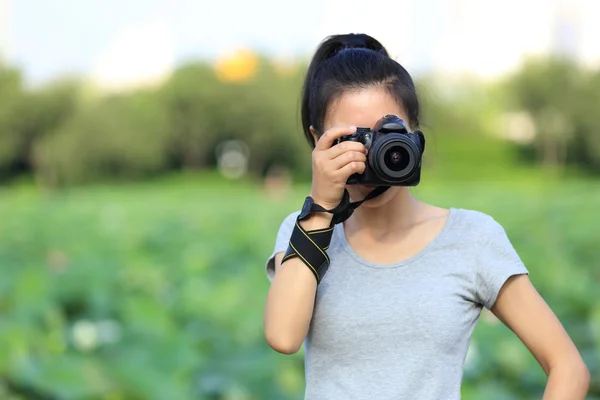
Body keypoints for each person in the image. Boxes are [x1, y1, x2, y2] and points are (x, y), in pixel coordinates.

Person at [263, 33, 590, 400]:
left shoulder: (472, 237)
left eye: (385, 135)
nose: (369, 156)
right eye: (351, 141)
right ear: (316, 141)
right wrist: (319, 208)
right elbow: (283, 337)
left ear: (415, 137)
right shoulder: (304, 230)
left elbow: (568, 368)